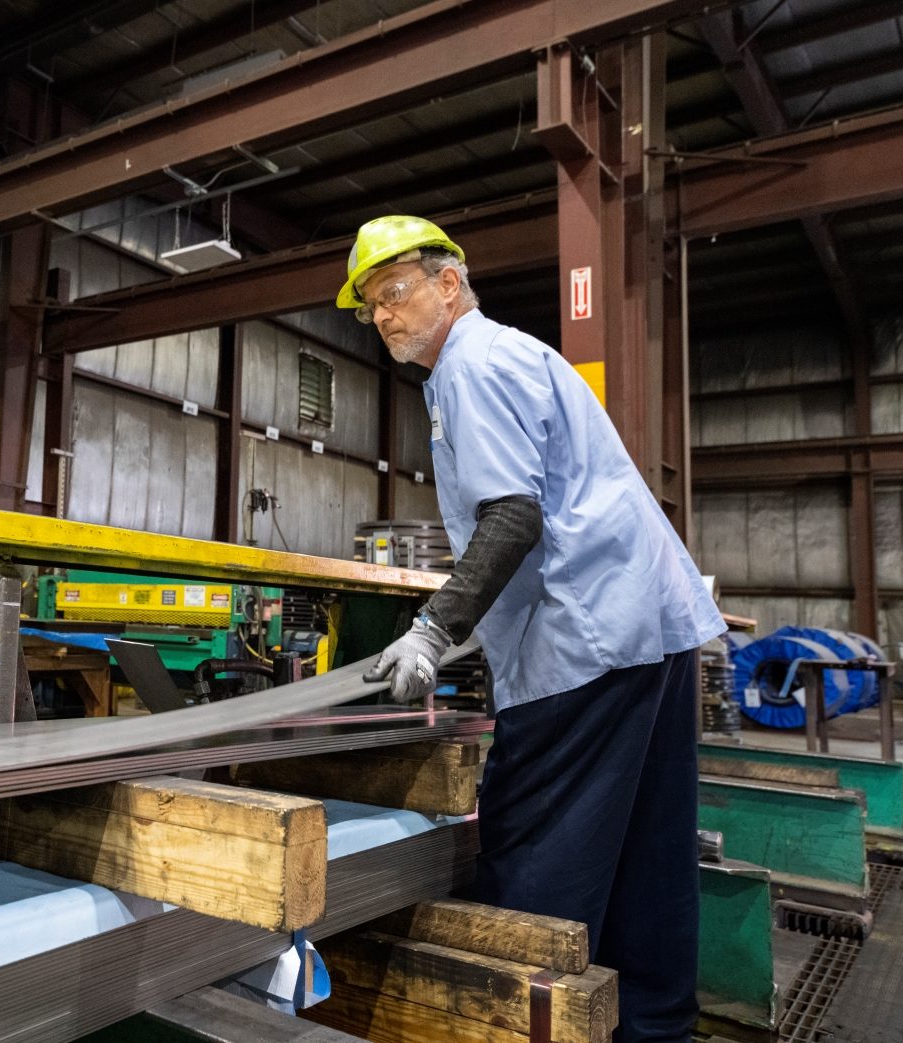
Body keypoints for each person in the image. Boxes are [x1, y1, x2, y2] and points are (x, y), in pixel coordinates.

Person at [337, 215, 725, 1043]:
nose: (384, 317)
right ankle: (654, 1029)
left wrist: (433, 631)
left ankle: (526, 1027)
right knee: (648, 857)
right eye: (370, 306)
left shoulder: (473, 363)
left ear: (450, 283)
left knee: (536, 850)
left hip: (585, 640)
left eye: (395, 292)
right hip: (646, 626)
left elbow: (511, 517)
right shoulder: (505, 356)